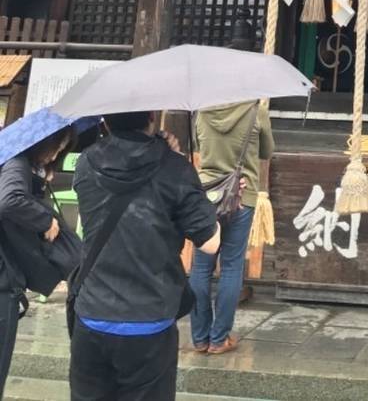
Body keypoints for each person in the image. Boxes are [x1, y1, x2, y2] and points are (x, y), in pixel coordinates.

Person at [70, 111, 220, 401]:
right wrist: (175, 162)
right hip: (149, 318)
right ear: (153, 118)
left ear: (106, 121)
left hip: (91, 314)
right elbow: (210, 243)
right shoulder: (174, 168)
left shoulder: (86, 162)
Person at [190, 99, 273, 355]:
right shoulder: (255, 110)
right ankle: (219, 339)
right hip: (241, 195)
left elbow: (198, 147)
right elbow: (266, 151)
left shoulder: (202, 110)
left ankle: (200, 338)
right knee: (231, 265)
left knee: (201, 267)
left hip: (206, 197)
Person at [0, 129, 71, 399]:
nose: (56, 154)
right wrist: (45, 220)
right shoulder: (16, 162)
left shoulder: (17, 163)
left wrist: (39, 181)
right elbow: (9, 202)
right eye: (57, 145)